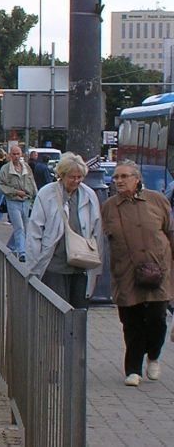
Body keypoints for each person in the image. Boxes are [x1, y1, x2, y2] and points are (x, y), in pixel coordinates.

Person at [100, 160, 174, 386]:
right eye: (116, 177)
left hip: (158, 270)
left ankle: (153, 355)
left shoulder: (157, 200)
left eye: (124, 176)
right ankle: (133, 369)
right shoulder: (110, 206)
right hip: (126, 272)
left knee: (157, 318)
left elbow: (169, 231)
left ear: (137, 179)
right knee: (131, 322)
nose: (119, 181)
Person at [26, 152, 102, 309]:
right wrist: (33, 265)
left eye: (80, 177)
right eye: (72, 177)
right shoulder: (46, 194)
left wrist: (97, 262)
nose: (76, 181)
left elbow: (97, 230)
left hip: (82, 263)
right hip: (54, 265)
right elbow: (35, 231)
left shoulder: (89, 195)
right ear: (61, 175)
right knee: (56, 311)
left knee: (79, 311)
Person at [0, 145, 37, 261]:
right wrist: (15, 192)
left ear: (21, 154)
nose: (16, 156)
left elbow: (32, 182)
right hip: (13, 201)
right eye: (14, 154)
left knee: (25, 227)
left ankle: (11, 246)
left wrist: (36, 196)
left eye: (18, 154)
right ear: (10, 155)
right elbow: (1, 185)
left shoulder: (26, 167)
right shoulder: (5, 169)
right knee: (19, 226)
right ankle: (22, 252)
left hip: (26, 200)